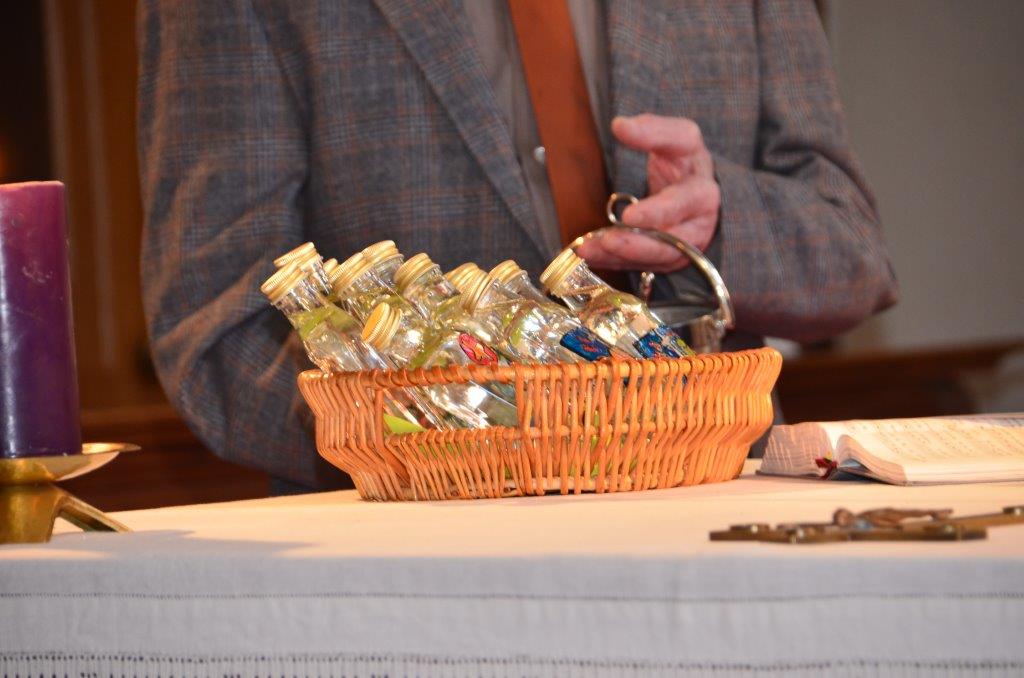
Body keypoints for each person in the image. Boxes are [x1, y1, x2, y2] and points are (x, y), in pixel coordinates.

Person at [137, 1, 898, 492]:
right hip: (417, 573)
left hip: (716, 535)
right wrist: (450, 443)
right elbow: (215, 331)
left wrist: (719, 220)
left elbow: (854, 256)